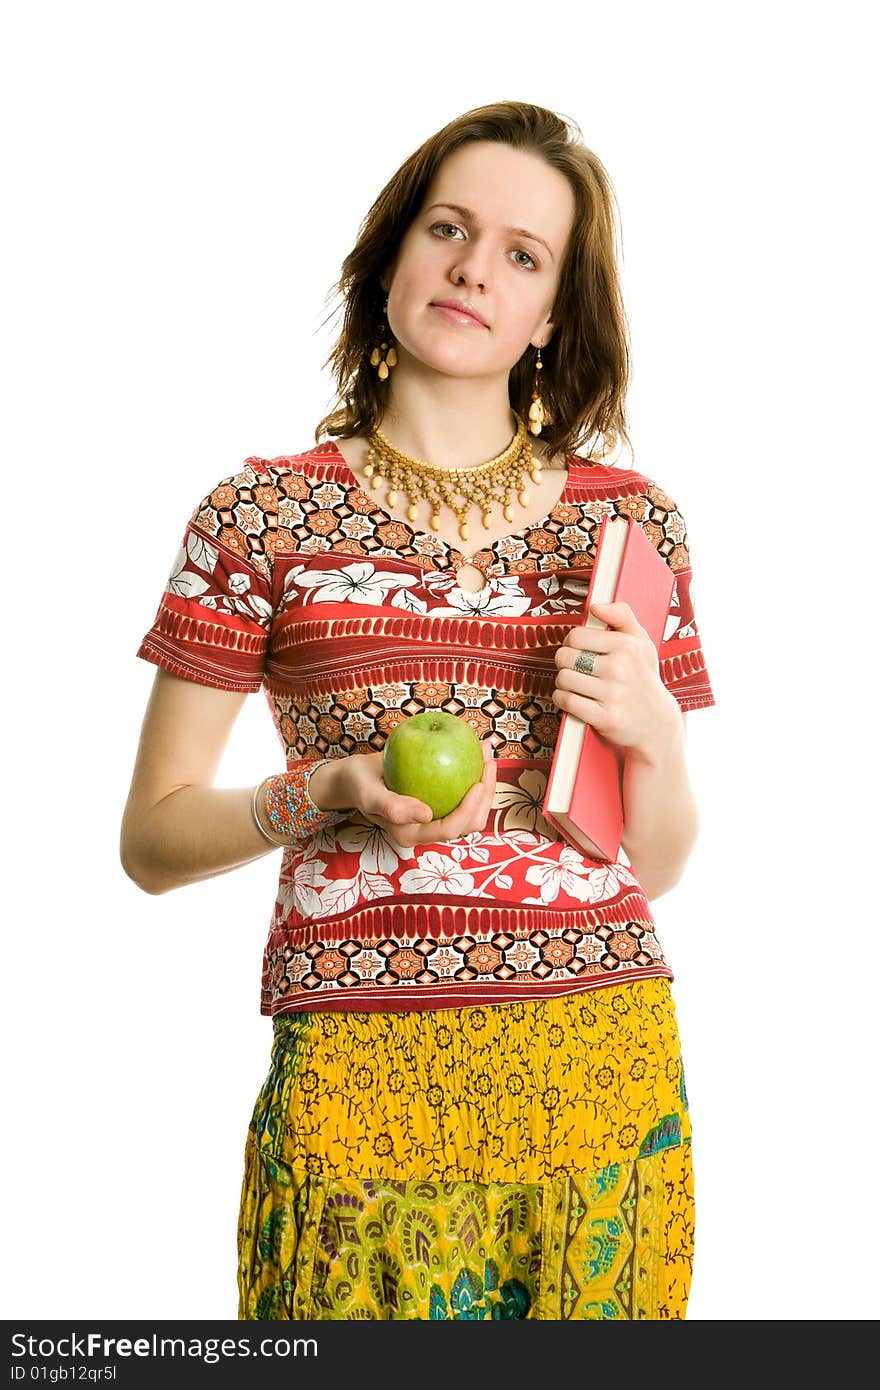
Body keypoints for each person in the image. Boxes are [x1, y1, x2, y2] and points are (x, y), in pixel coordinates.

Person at [120, 100, 715, 1321]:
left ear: (552, 315)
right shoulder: (259, 517)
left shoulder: (629, 524)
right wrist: (323, 790)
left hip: (595, 1070)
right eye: (446, 228)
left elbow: (645, 859)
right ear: (393, 254)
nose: (471, 269)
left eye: (521, 254)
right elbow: (151, 839)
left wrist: (652, 732)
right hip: (358, 1079)